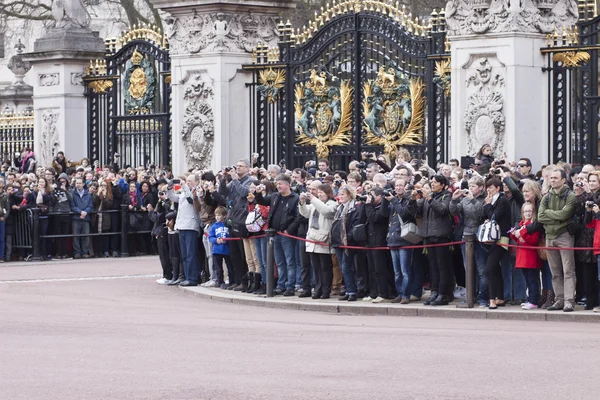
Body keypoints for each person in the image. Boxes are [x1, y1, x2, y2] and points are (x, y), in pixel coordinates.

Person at [538, 169, 577, 312]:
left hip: (565, 235)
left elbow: (565, 214)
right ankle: (559, 299)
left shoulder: (570, 195)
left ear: (563, 180)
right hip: (549, 236)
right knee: (555, 272)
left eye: (556, 178)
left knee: (568, 270)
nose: (552, 180)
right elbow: (540, 217)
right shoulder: (546, 197)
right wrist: (557, 217)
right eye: (551, 178)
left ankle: (569, 300)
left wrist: (550, 214)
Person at [255, 174, 299, 296]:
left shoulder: (295, 198)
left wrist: (289, 230)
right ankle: (281, 284)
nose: (278, 186)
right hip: (274, 233)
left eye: (280, 184)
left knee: (290, 261)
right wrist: (258, 193)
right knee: (279, 262)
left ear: (288, 184)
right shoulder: (275, 196)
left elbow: (297, 217)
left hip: (287, 235)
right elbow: (262, 201)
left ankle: (290, 285)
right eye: (277, 184)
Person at [450, 175, 489, 307]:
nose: (470, 188)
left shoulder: (484, 199)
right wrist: (454, 199)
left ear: (481, 188)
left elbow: (480, 213)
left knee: (481, 269)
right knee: (468, 269)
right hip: (465, 236)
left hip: (479, 237)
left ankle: (483, 296)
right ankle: (470, 296)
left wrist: (472, 199)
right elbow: (454, 211)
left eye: (473, 186)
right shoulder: (464, 200)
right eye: (470, 186)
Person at [416, 175, 453, 306]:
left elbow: (442, 210)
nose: (432, 184)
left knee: (442, 266)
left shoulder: (447, 196)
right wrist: (412, 199)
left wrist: (429, 198)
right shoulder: (428, 197)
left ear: (442, 184)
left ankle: (443, 294)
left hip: (441, 235)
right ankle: (434, 292)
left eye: (435, 182)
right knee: (433, 267)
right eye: (431, 182)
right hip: (428, 235)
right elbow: (416, 210)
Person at [298, 182, 337, 299]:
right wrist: (302, 203)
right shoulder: (315, 204)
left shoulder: (333, 204)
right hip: (312, 239)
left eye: (321, 192)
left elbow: (326, 211)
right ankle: (318, 289)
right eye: (318, 192)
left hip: (323, 239)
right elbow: (305, 213)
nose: (319, 195)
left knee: (325, 267)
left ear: (328, 193)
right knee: (316, 267)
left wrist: (314, 199)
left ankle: (325, 290)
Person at [385, 179, 418, 304]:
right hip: (393, 239)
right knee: (397, 272)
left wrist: (393, 200)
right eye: (396, 185)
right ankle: (399, 293)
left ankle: (406, 295)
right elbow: (384, 214)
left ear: (406, 187)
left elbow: (405, 214)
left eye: (401, 185)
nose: (398, 188)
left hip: (405, 239)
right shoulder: (393, 199)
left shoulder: (409, 199)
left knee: (405, 271)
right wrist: (385, 199)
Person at [331, 185, 366, 302]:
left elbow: (355, 225)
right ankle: (348, 290)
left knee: (347, 268)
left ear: (350, 195)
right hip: (338, 242)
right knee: (343, 268)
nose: (340, 197)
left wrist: (347, 238)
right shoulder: (340, 208)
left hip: (347, 243)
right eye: (339, 194)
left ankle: (352, 291)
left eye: (342, 194)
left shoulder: (355, 208)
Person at [168, 174, 202, 287]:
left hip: (191, 225)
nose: (188, 183)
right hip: (182, 225)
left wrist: (185, 186)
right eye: (187, 181)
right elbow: (174, 198)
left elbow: (191, 200)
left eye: (190, 181)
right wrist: (169, 189)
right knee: (185, 254)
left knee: (191, 253)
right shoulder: (183, 192)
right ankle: (188, 277)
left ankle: (193, 278)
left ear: (196, 182)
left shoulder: (197, 192)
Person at [483, 178, 511, 310]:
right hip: (491, 238)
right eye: (487, 187)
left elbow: (494, 217)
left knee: (489, 269)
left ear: (498, 188)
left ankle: (492, 299)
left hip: (501, 238)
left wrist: (488, 205)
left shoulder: (502, 200)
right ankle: (499, 297)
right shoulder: (493, 200)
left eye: (491, 187)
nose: (488, 190)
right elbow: (486, 216)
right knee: (495, 269)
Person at [510, 202, 542, 310]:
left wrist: (522, 234)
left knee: (532, 279)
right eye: (525, 211)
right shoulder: (521, 223)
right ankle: (530, 299)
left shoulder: (532, 225)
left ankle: (534, 300)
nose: (527, 213)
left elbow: (534, 240)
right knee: (527, 279)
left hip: (530, 256)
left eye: (530, 211)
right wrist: (514, 234)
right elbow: (518, 240)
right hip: (522, 256)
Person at [209, 206, 234, 289]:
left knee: (230, 266)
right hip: (217, 250)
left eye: (219, 215)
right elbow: (211, 237)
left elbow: (230, 236)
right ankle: (220, 282)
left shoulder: (227, 225)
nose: (217, 217)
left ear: (224, 216)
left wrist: (226, 241)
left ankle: (232, 281)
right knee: (218, 268)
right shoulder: (214, 226)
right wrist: (216, 240)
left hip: (227, 249)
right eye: (216, 215)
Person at [71, 177, 93, 259]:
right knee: (76, 236)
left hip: (86, 218)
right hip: (76, 218)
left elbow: (91, 206)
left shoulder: (88, 194)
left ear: (83, 184)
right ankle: (77, 253)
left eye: (80, 183)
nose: (78, 185)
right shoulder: (72, 193)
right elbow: (72, 206)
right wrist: (80, 212)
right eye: (77, 183)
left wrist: (85, 212)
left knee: (85, 236)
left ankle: (84, 252)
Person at [0, 179, 8, 263]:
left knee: (1, 238)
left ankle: (1, 256)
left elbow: (7, 208)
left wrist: (4, 217)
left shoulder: (5, 195)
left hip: (1, 218)